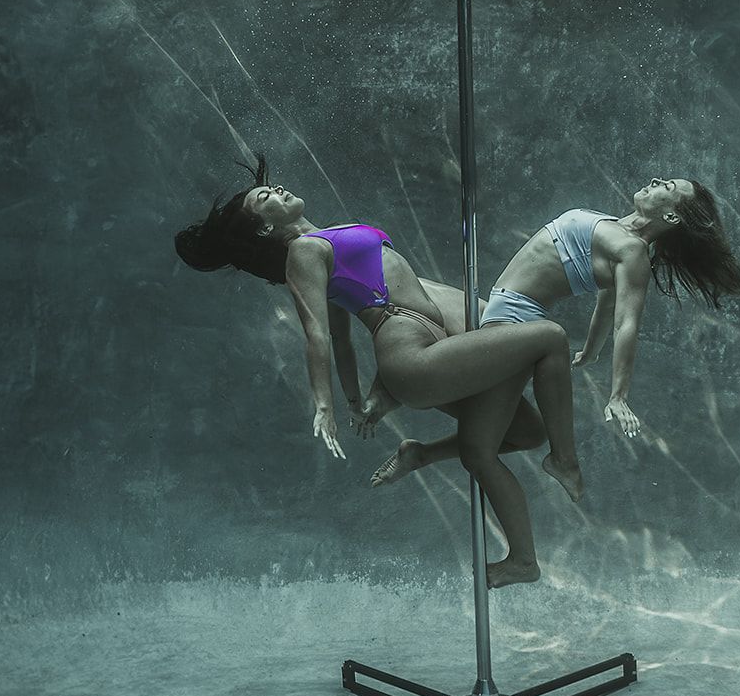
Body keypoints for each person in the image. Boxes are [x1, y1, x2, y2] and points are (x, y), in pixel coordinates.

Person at [175, 154, 583, 588]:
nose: (278, 190)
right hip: (412, 357)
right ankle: (563, 464)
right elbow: (318, 335)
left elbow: (346, 336)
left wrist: (361, 399)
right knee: (550, 338)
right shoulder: (303, 252)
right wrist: (324, 405)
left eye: (271, 187)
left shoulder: (325, 241)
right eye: (266, 196)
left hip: (432, 340)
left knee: (523, 433)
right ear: (264, 227)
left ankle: (427, 461)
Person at [367, 175, 740, 488]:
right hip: (498, 310)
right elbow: (607, 301)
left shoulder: (633, 253)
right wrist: (593, 350)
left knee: (479, 440)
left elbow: (626, 322)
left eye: (667, 187)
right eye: (664, 178)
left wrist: (618, 395)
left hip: (512, 322)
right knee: (524, 431)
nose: (656, 179)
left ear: (671, 219)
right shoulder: (617, 231)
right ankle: (418, 447)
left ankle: (397, 398)